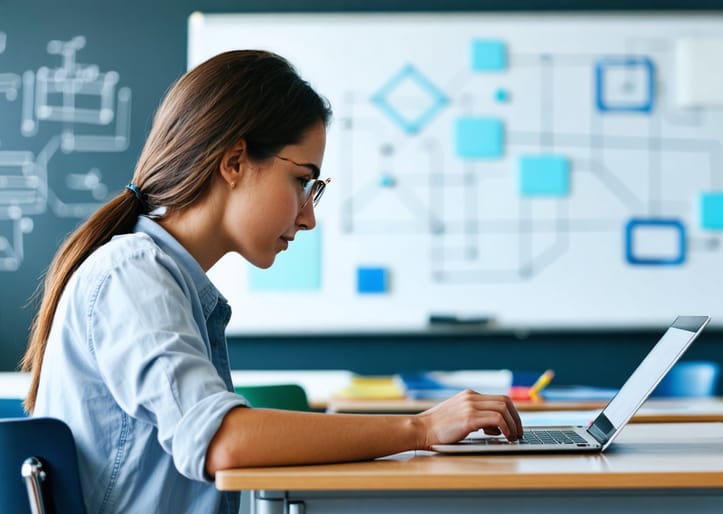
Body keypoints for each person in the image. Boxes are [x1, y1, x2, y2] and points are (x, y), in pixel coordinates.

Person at [20, 50, 522, 514]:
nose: (308, 217)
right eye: (303, 180)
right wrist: (421, 428)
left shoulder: (160, 277)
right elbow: (223, 441)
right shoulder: (133, 275)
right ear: (235, 162)